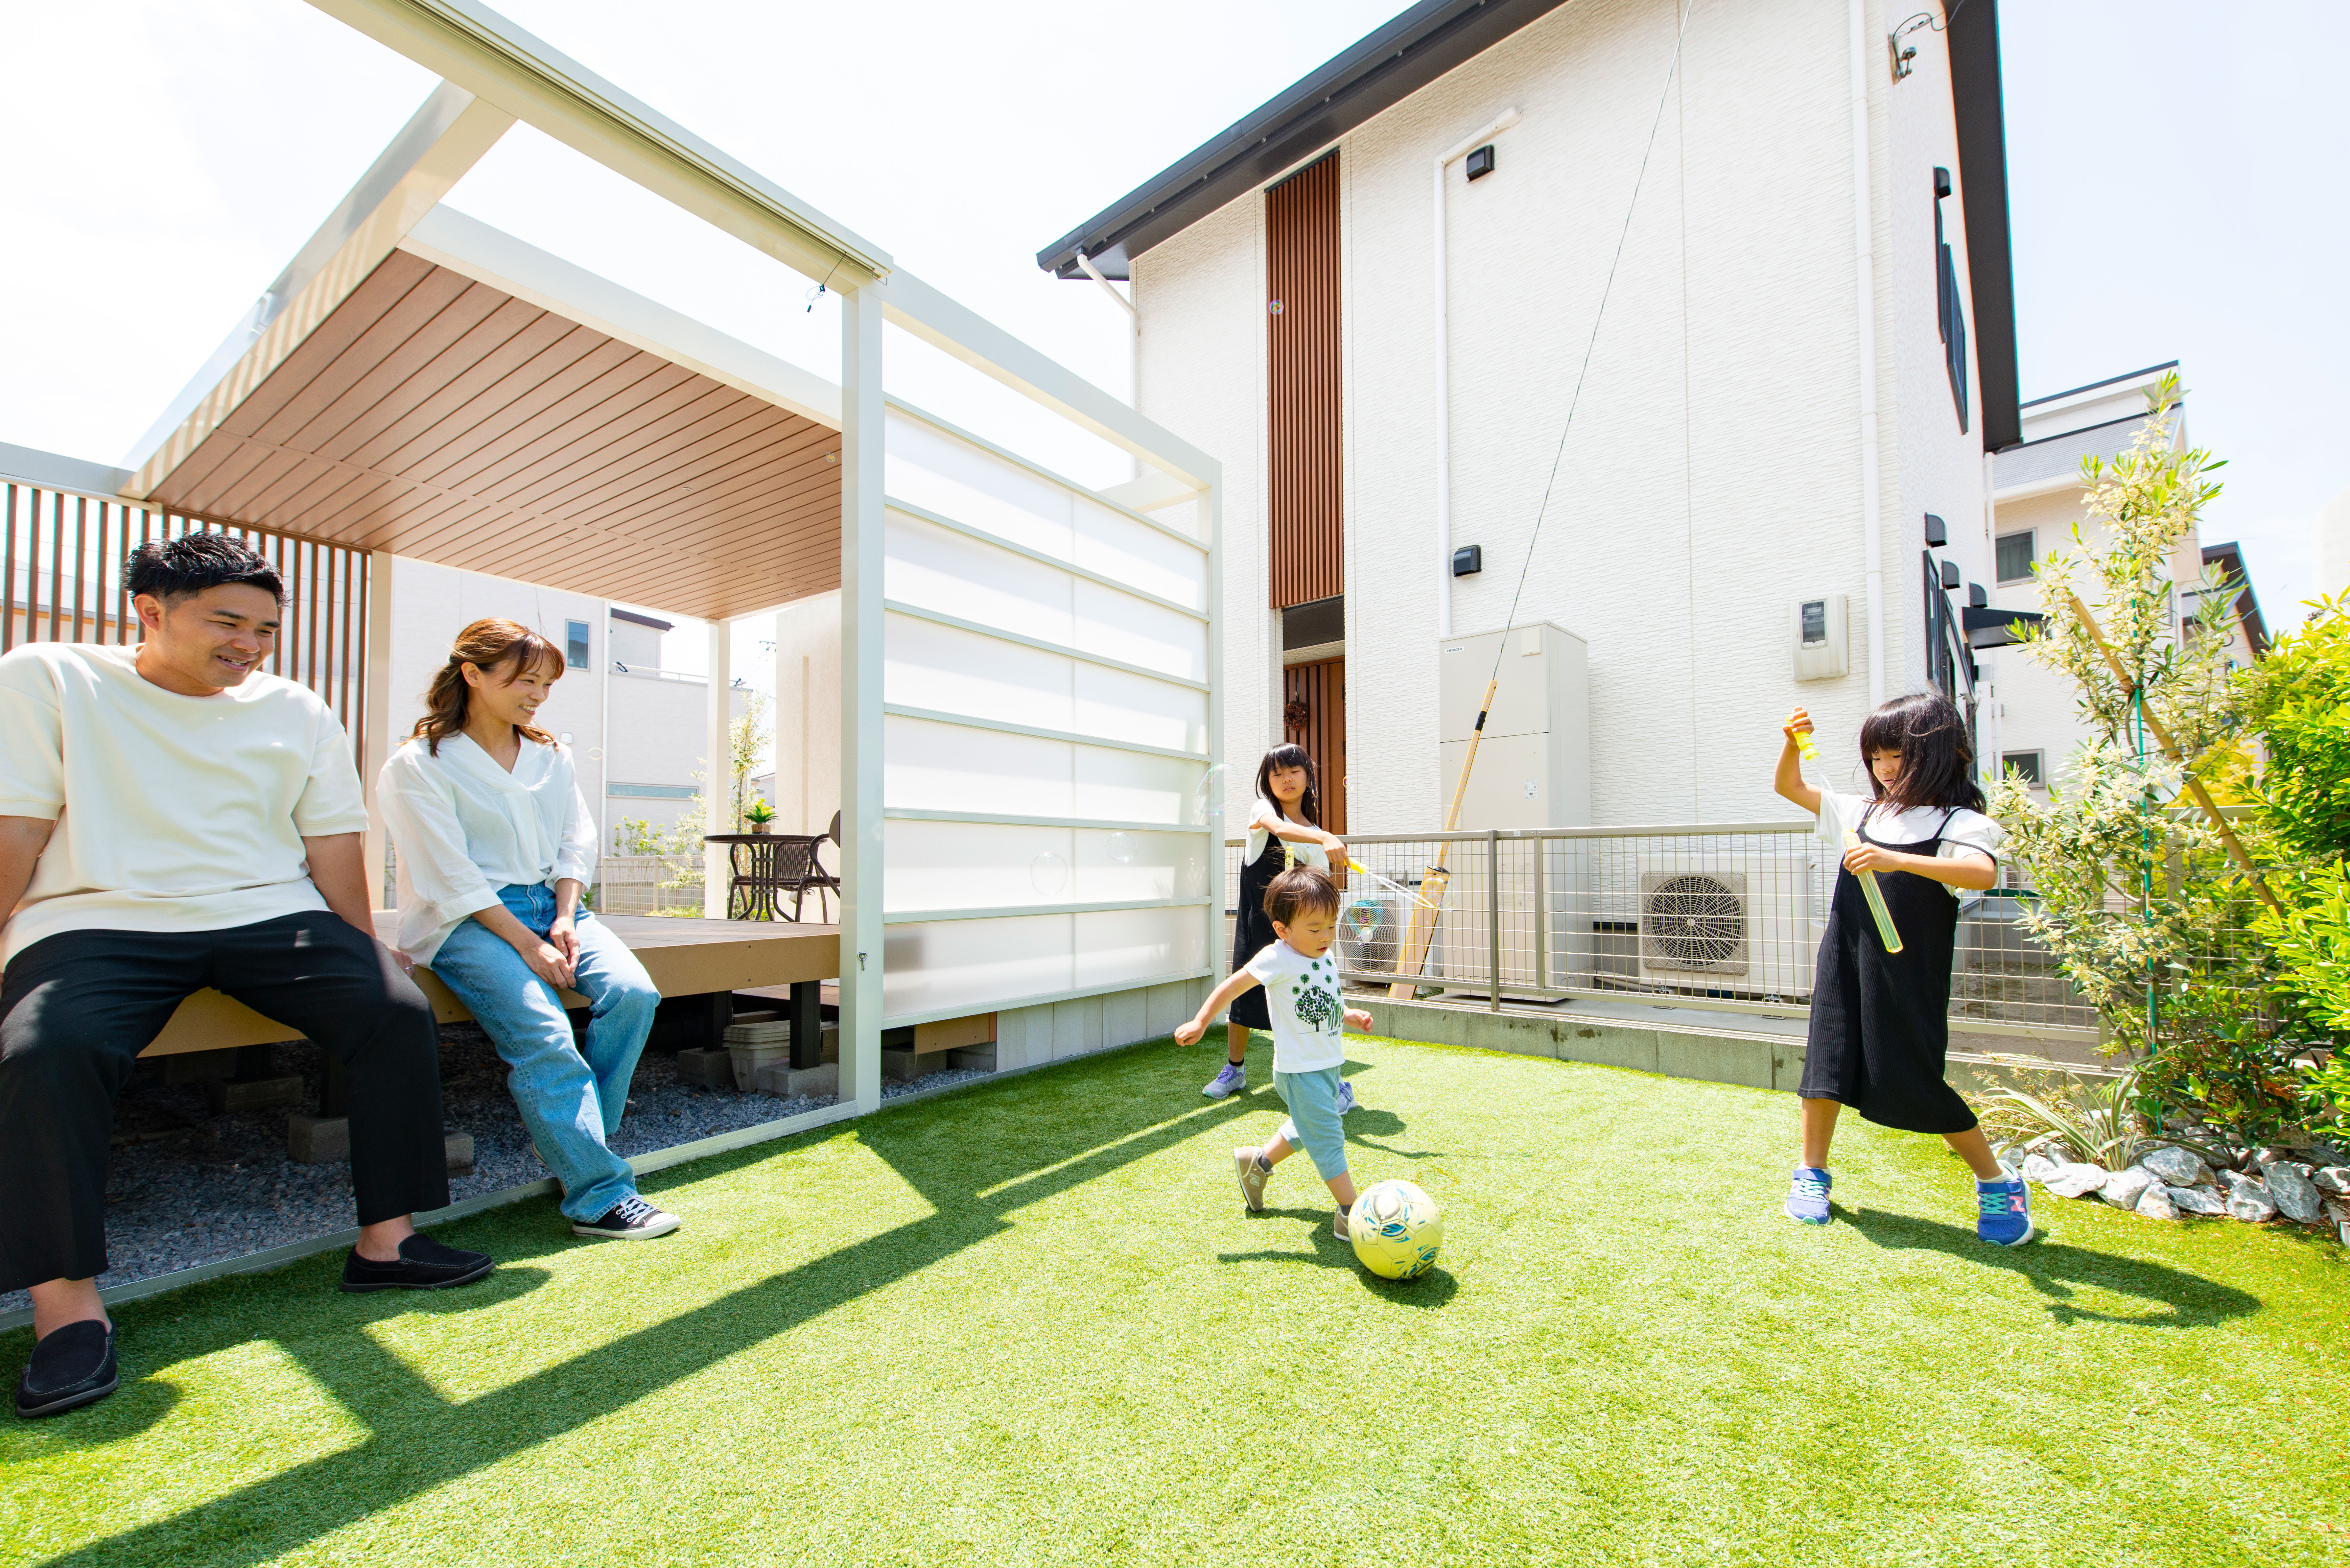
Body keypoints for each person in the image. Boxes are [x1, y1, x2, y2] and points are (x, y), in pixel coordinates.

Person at [0, 534, 492, 1421]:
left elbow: (332, 844)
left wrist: (361, 949)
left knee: (391, 1009)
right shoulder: (50, 676)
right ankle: (65, 1308)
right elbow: (18, 830)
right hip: (96, 913)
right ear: (149, 611)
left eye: (265, 628)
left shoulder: (295, 707)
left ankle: (388, 1241)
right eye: (228, 622)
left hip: (267, 910)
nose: (250, 645)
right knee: (49, 1047)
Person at [377, 620, 677, 1242]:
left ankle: (572, 1136)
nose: (537, 694)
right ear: (473, 674)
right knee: (545, 1035)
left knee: (635, 993)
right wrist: (526, 940)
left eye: (545, 683)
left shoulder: (551, 753)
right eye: (524, 680)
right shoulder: (420, 763)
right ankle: (599, 1194)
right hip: (465, 920)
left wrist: (565, 917)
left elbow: (577, 839)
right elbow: (450, 875)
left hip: (557, 904)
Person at [1773, 693, 2034, 1245]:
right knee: (1827, 1065)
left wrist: (1896, 859)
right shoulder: (1862, 813)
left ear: (1936, 753)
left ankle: (1997, 1182)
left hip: (1909, 969)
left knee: (1913, 1076)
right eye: (1876, 758)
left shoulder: (1960, 820)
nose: (1885, 770)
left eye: (1897, 756)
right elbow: (1790, 788)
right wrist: (1791, 744)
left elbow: (1980, 874)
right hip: (1846, 957)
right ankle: (1812, 1174)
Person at [1176, 866, 1375, 1240]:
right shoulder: (1277, 957)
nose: (1325, 937)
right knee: (1328, 1136)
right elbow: (1232, 987)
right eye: (1314, 929)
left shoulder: (1324, 956)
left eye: (1331, 926)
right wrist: (1201, 1021)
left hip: (1327, 1064)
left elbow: (1326, 999)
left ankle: (1258, 1163)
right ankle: (1351, 1211)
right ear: (1282, 930)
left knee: (1309, 1123)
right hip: (1300, 1070)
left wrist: (1349, 1015)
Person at [1202, 743, 1356, 1115]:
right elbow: (1277, 828)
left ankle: (1332, 1080)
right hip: (1259, 926)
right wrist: (1323, 839)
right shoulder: (1263, 811)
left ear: (1308, 776)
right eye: (1276, 774)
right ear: (1267, 782)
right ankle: (1235, 1070)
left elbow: (1320, 887)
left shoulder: (1317, 833)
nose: (1286, 780)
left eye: (1293, 771)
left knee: (1310, 1004)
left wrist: (1322, 842)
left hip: (1302, 937)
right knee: (1244, 998)